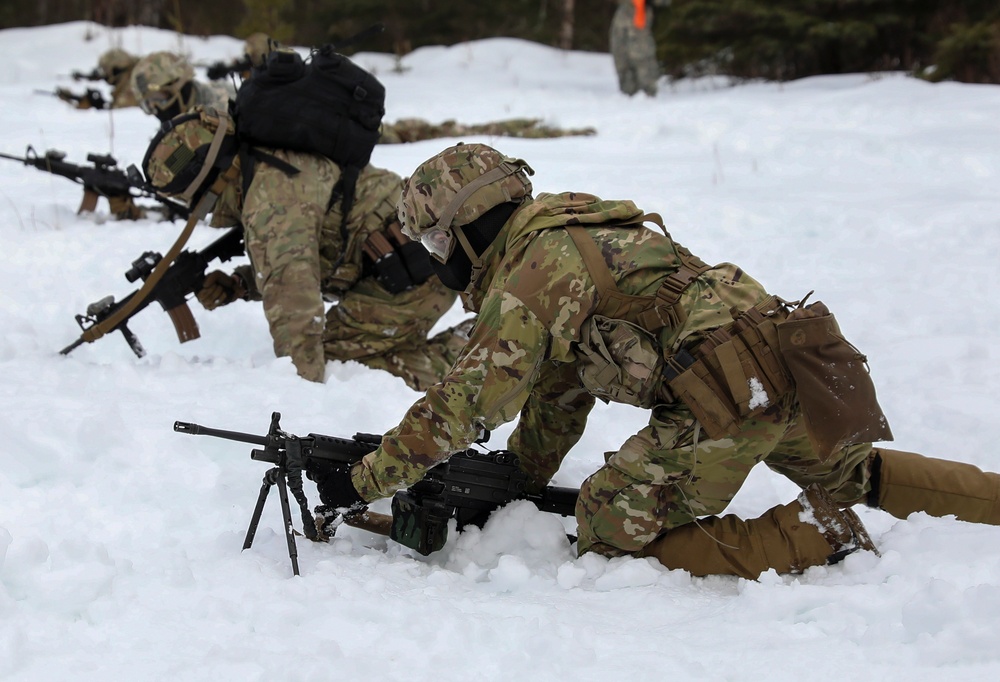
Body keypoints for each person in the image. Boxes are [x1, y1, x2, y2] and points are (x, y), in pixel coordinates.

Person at [308, 142, 1000, 579]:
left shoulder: (531, 279)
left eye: (435, 244)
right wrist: (524, 473)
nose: (437, 262)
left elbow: (462, 406)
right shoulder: (571, 233)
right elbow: (561, 385)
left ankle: (815, 536)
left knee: (608, 523)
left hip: (725, 397)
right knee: (857, 472)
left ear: (466, 224)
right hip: (780, 366)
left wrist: (364, 480)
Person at [142, 108, 471, 390]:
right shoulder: (269, 162)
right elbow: (307, 256)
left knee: (339, 368)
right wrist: (243, 283)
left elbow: (293, 296)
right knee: (335, 355)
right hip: (416, 250)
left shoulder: (267, 197)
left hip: (416, 266)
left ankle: (477, 351)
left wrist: (301, 393)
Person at [130, 51, 235, 122]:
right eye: (147, 104)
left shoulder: (224, 111)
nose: (155, 108)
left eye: (158, 98)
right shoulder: (179, 125)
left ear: (181, 86)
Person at [610, 0, 670, 97]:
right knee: (620, 55)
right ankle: (627, 93)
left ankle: (648, 93)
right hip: (622, 18)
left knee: (642, 55)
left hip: (641, 17)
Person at [379, 117, 596, 144]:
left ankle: (530, 122)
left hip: (441, 128)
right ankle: (565, 134)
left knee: (493, 127)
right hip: (444, 134)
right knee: (499, 131)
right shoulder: (387, 135)